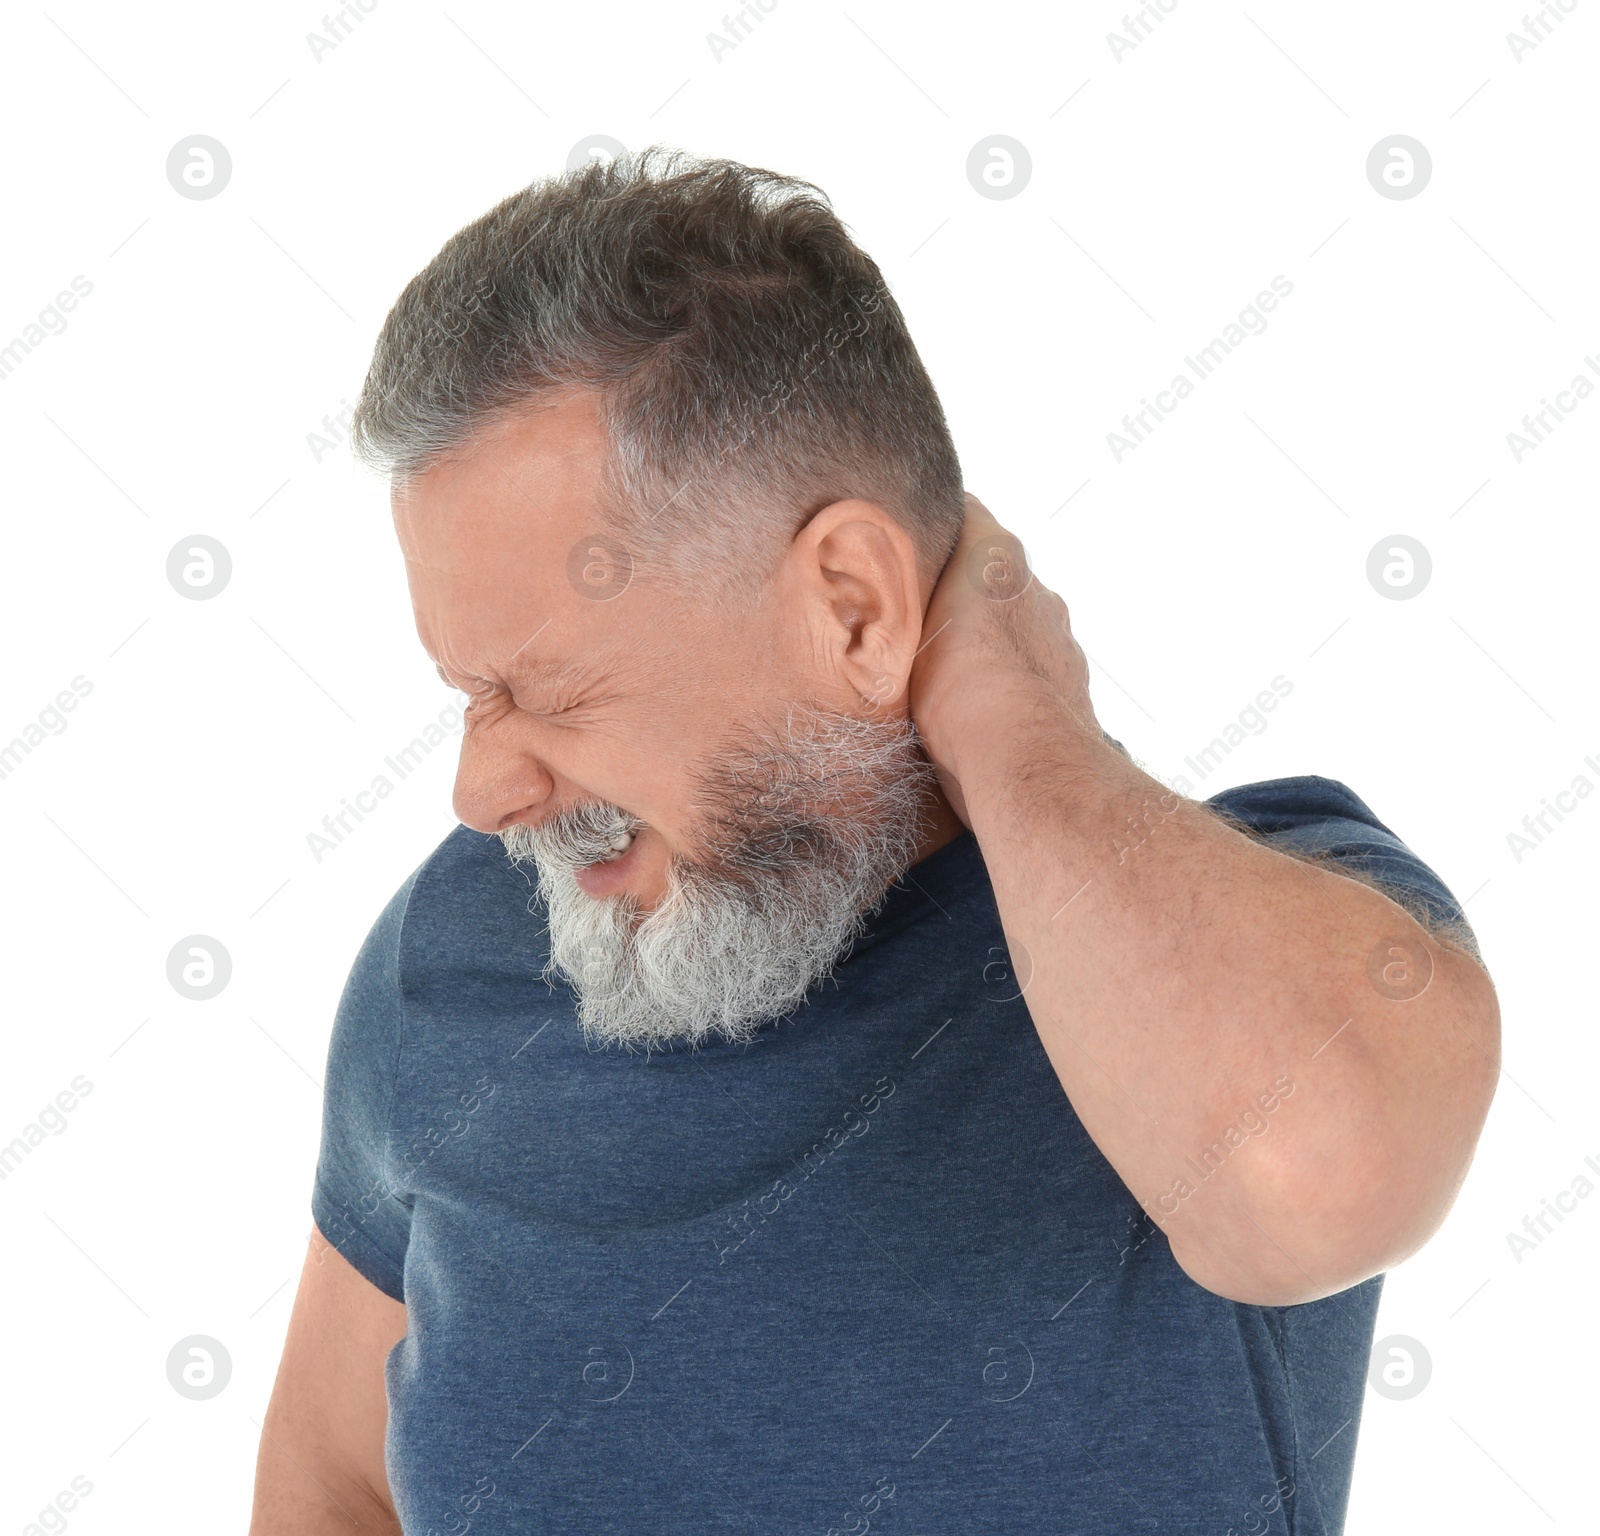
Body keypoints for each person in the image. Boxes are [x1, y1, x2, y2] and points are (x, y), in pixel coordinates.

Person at [248, 148, 1500, 1534]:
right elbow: (336, 1476)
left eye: (547, 693)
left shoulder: (1264, 918)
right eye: (469, 696)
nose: (482, 792)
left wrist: (1005, 711)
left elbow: (1308, 1187)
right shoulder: (459, 953)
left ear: (852, 606)